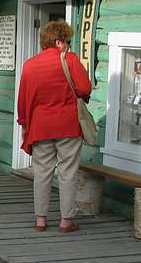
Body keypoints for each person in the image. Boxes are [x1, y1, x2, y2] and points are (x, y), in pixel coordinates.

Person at [17, 20, 92, 233]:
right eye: (67, 41)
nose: (68, 45)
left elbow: (22, 99)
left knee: (41, 172)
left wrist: (24, 124)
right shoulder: (69, 59)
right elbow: (85, 88)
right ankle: (66, 221)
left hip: (40, 127)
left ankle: (41, 219)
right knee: (68, 172)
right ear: (59, 41)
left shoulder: (30, 64)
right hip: (67, 125)